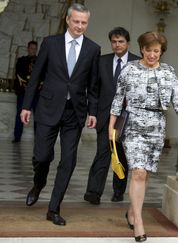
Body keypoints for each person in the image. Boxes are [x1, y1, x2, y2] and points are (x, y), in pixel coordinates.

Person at [20, 3, 100, 226]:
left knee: (68, 161)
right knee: (42, 156)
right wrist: (26, 106)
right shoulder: (50, 43)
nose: (80, 26)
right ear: (68, 19)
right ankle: (39, 183)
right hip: (47, 108)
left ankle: (53, 208)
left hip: (74, 112)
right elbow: (36, 76)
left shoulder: (93, 49)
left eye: (84, 23)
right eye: (76, 21)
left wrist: (92, 111)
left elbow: (93, 85)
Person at [109, 31, 178, 242]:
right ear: (142, 49)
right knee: (138, 172)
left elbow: (177, 100)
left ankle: (133, 211)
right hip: (133, 124)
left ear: (161, 52)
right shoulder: (129, 69)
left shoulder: (169, 72)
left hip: (157, 127)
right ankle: (139, 221)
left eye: (156, 51)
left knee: (146, 172)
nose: (152, 55)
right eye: (148, 50)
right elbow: (118, 98)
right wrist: (111, 126)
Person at [84, 27, 140, 205]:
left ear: (128, 43)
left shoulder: (137, 63)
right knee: (102, 153)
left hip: (127, 118)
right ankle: (93, 192)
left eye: (121, 41)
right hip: (105, 116)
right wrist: (92, 112)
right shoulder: (101, 61)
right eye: (114, 42)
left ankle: (118, 191)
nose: (117, 45)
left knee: (121, 155)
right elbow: (93, 90)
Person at [12, 41, 38, 143]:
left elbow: (44, 77)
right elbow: (18, 75)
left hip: (36, 94)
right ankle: (17, 137)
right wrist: (27, 87)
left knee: (38, 116)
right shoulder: (21, 61)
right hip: (23, 93)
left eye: (35, 49)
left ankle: (38, 138)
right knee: (20, 114)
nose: (33, 50)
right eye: (31, 48)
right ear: (28, 48)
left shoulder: (41, 61)